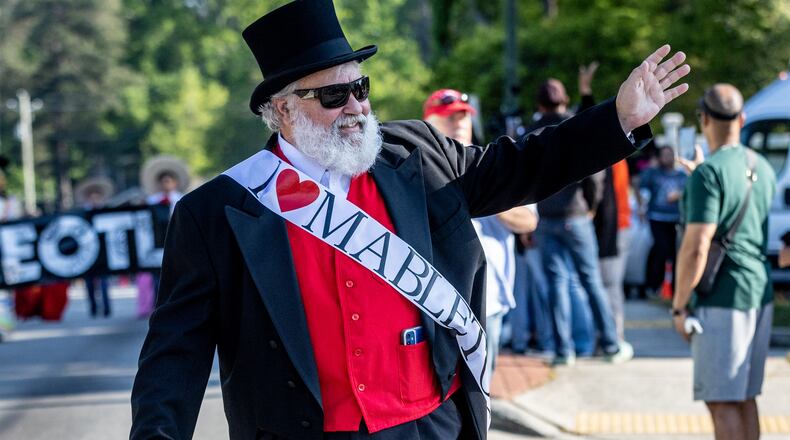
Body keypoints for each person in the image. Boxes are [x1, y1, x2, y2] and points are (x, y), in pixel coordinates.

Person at [130, 2, 689, 439]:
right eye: (332, 94)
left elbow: (520, 167)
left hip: (429, 427)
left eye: (359, 87)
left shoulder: (416, 155)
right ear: (280, 110)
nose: (355, 106)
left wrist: (617, 119)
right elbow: (175, 353)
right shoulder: (218, 211)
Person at [673, 84, 775, 440]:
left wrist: (679, 305)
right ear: (742, 118)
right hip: (759, 292)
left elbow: (696, 247)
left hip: (722, 297)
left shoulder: (709, 174)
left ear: (703, 120)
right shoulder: (759, 164)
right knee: (745, 397)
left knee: (721, 402)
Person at [422, 88, 538, 380]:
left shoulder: (492, 164)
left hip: (489, 300)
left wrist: (483, 196)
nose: (459, 122)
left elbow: (529, 221)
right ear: (427, 123)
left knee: (482, 388)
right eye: (449, 117)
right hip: (435, 303)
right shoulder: (414, 170)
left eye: (464, 116)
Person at [529, 77, 631, 365]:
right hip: (576, 215)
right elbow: (595, 172)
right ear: (564, 99)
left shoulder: (529, 130)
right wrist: (591, 205)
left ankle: (564, 351)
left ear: (539, 104)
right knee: (591, 281)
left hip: (546, 217)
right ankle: (611, 344)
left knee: (556, 285)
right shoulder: (575, 125)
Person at [639, 145, 687, 295]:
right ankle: (653, 285)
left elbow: (688, 192)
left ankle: (673, 289)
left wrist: (679, 195)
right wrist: (642, 206)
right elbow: (641, 188)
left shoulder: (681, 176)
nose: (668, 158)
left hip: (675, 219)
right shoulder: (653, 173)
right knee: (661, 248)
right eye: (664, 155)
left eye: (670, 154)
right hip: (657, 217)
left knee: (674, 253)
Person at [75, 177, 116, 318]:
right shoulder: (82, 214)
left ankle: (106, 308)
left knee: (104, 281)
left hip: (104, 252)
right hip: (86, 252)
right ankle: (93, 307)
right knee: (89, 283)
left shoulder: (106, 211)